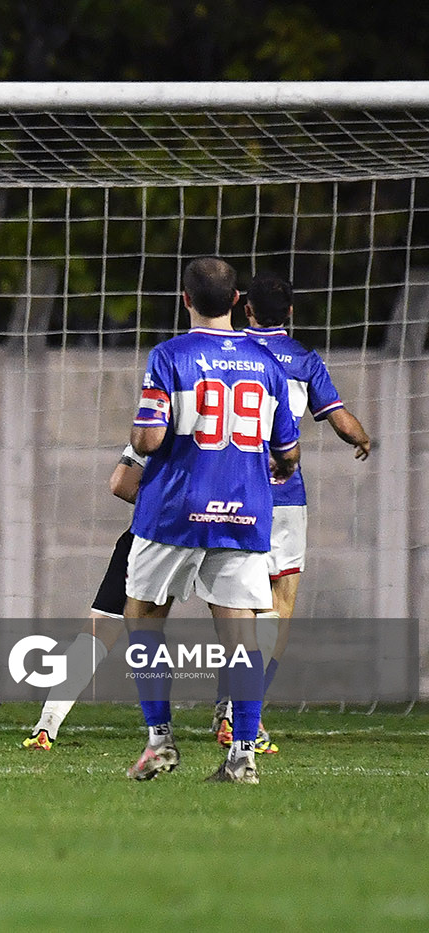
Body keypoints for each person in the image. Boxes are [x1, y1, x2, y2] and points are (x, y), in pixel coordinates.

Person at [123, 256, 300, 785]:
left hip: (176, 509)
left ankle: (159, 741)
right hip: (244, 513)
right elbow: (288, 451)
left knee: (142, 616)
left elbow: (148, 439)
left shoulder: (170, 355)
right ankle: (242, 755)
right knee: (241, 636)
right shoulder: (267, 363)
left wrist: (142, 437)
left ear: (186, 299)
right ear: (236, 300)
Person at [204, 273, 374, 749]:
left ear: (244, 308)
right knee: (278, 609)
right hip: (282, 497)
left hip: (226, 490)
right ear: (291, 313)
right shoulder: (303, 360)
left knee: (234, 605)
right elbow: (340, 420)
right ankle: (244, 710)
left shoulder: (223, 352)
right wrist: (361, 437)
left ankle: (233, 703)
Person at [22, 446, 144, 750]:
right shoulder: (252, 407)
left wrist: (166, 503)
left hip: (155, 535)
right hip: (226, 533)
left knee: (101, 628)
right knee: (244, 621)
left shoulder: (162, 407)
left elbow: (120, 483)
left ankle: (48, 722)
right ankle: (240, 725)